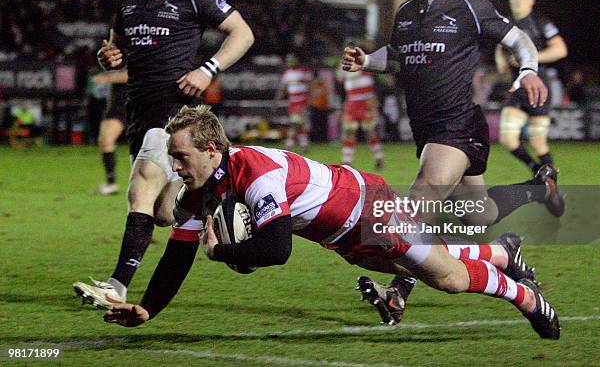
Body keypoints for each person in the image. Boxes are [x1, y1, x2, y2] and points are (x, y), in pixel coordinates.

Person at [102, 105, 560, 340]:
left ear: (209, 149)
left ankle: (526, 298)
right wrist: (148, 309)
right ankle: (504, 253)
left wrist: (222, 251)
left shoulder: (257, 174)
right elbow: (177, 251)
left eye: (180, 157)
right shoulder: (198, 191)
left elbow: (277, 251)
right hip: (339, 235)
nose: (175, 167)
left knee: (449, 280)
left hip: (367, 210)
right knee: (428, 265)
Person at [340, 0, 564, 324]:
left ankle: (398, 291)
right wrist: (367, 61)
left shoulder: (470, 7)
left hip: (458, 126)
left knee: (418, 204)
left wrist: (529, 70)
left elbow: (518, 41)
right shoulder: (407, 13)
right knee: (479, 215)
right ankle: (536, 191)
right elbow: (398, 57)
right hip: (427, 131)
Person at [73, 0, 254, 309]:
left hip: (174, 113)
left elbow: (243, 32)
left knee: (140, 186)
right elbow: (114, 48)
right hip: (138, 110)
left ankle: (116, 285)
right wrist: (109, 56)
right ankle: (218, 213)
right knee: (161, 212)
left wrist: (208, 69)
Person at [496, 0, 568, 173]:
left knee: (538, 143)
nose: (517, 1)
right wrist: (501, 62)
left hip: (537, 86)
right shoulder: (506, 23)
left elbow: (560, 49)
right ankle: (537, 169)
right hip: (517, 88)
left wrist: (530, 60)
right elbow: (499, 47)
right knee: (507, 139)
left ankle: (552, 188)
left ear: (531, 1)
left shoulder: (540, 22)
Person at [336, 59, 384, 169]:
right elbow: (339, 80)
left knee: (369, 131)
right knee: (350, 130)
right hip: (352, 103)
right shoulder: (344, 66)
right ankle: (347, 162)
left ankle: (379, 158)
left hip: (365, 103)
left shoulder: (365, 66)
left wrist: (374, 101)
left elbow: (376, 82)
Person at [90, 69, 129, 196]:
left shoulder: (140, 51)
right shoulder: (120, 54)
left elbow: (134, 73)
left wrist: (107, 77)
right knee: (105, 141)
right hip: (116, 106)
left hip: (130, 105)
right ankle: (111, 183)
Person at [274, 52, 312, 152]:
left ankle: (288, 145)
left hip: (302, 102)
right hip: (293, 102)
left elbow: (310, 85)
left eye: (291, 60)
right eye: (288, 60)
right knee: (300, 125)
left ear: (296, 60)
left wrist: (310, 99)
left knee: (295, 123)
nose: (290, 62)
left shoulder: (304, 70)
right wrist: (277, 99)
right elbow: (283, 87)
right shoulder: (287, 73)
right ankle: (304, 146)